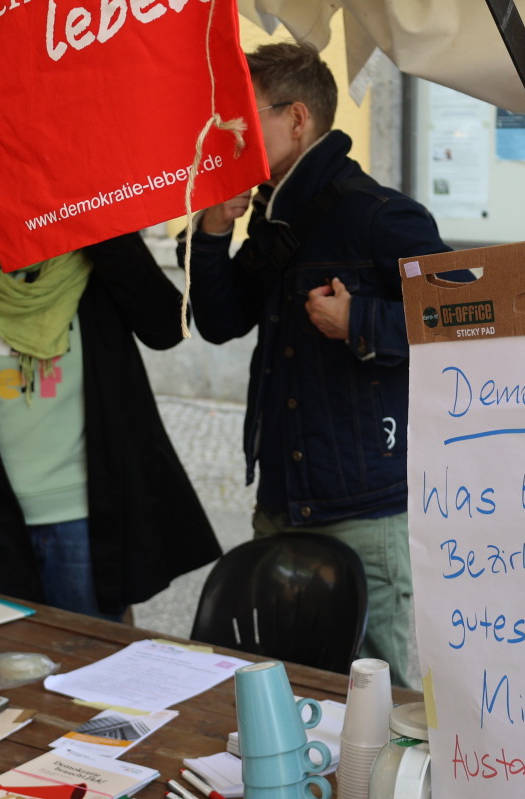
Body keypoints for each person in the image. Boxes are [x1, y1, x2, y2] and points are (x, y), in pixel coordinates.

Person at [179, 42, 459, 686]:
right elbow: (221, 322)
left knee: (380, 699)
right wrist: (213, 233)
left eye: (243, 121)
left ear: (297, 118)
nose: (229, 137)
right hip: (281, 499)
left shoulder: (377, 214)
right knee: (277, 689)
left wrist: (359, 321)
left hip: (364, 508)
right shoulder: (272, 216)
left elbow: (463, 312)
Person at [0, 136, 220, 619]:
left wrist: (102, 224)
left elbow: (166, 327)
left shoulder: (93, 248)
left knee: (89, 655)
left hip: (81, 516)